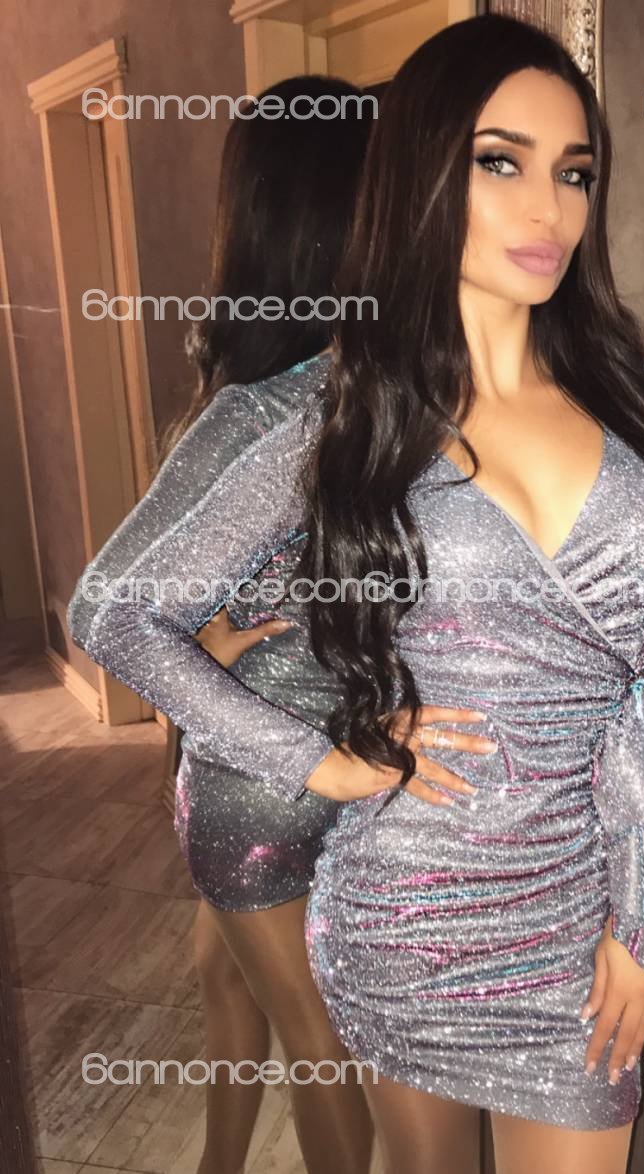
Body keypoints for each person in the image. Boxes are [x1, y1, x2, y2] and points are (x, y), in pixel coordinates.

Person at [287, 14, 644, 1174]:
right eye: (500, 163)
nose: (548, 208)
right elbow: (121, 613)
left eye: (574, 172)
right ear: (421, 173)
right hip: (408, 914)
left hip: (579, 906)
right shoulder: (344, 407)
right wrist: (313, 755)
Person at [66, 75, 443, 1174]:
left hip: (267, 769)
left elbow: (110, 610)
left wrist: (249, 703)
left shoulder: (277, 401)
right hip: (324, 739)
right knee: (225, 977)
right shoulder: (393, 386)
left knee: (316, 1045)